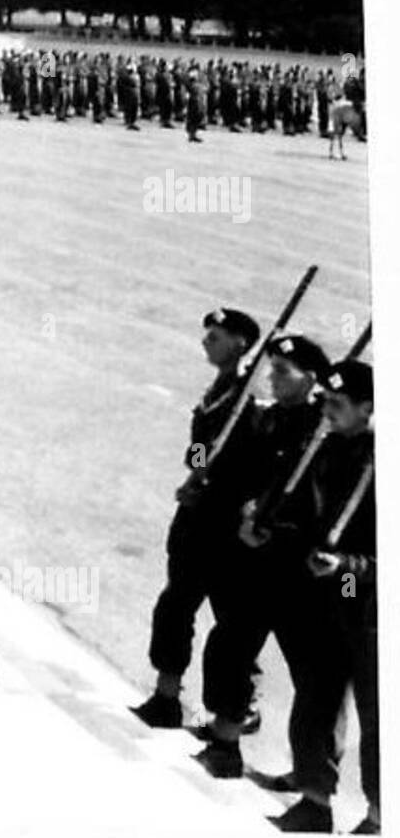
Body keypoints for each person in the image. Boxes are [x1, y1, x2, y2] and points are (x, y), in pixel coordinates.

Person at [192, 334, 328, 779]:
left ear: (310, 379)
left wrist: (270, 524)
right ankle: (225, 734)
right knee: (229, 643)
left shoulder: (316, 429)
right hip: (246, 550)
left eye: (282, 373)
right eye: (270, 370)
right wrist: (199, 471)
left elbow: (313, 502)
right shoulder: (255, 414)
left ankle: (311, 779)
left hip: (290, 564)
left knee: (310, 672)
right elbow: (212, 454)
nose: (271, 378)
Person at [132, 307, 261, 728]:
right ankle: (167, 696)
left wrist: (211, 480)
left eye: (217, 336)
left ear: (241, 343)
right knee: (175, 604)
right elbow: (200, 448)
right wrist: (196, 471)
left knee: (231, 621)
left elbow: (251, 467)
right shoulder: (218, 390)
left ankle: (243, 707)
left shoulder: (250, 398)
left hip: (223, 522)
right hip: (196, 514)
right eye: (207, 335)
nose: (207, 342)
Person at [266, 360, 377, 834]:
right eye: (325, 401)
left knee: (379, 721)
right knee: (316, 700)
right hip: (326, 598)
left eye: (337, 404)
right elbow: (302, 510)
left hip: (369, 606)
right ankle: (314, 799)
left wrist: (348, 567)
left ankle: (378, 819)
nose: (326, 411)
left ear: (367, 409)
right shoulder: (328, 448)